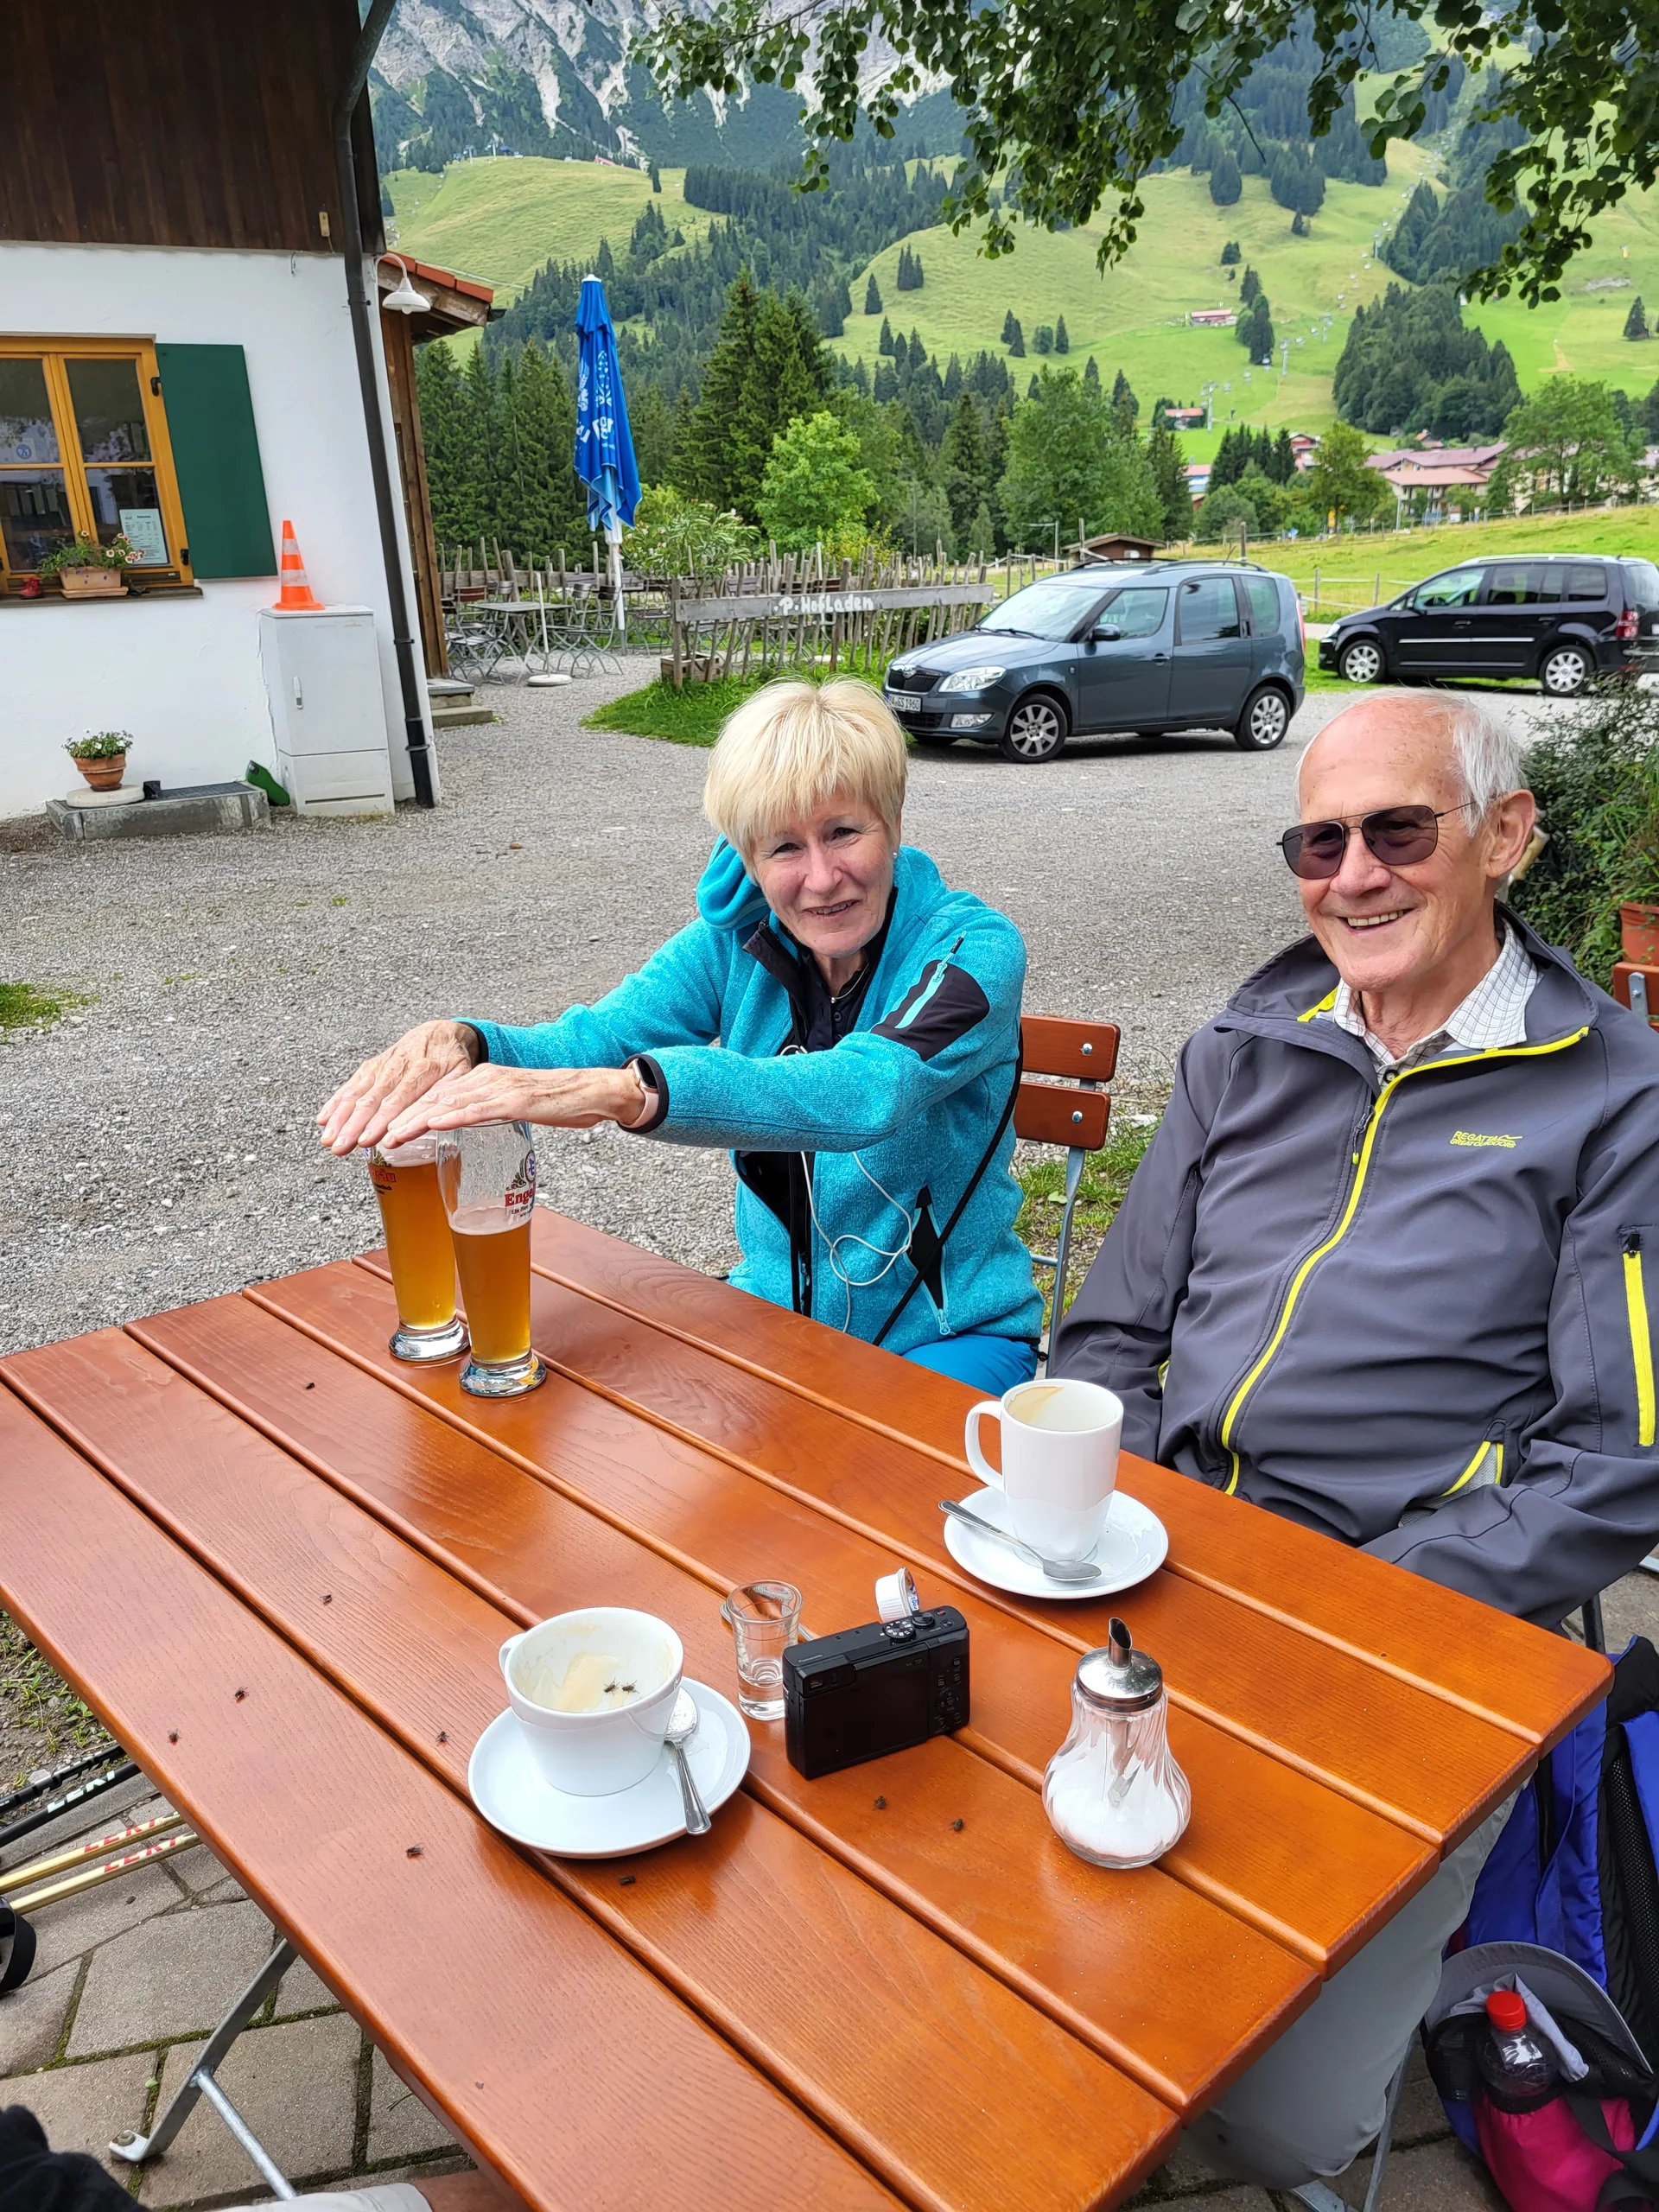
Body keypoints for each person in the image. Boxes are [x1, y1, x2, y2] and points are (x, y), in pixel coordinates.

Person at [1052, 689, 1659, 2187]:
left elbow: (1613, 1472)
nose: (1354, 875)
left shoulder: (1617, 1097)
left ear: (1505, 836)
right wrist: (1116, 1510)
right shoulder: (1243, 1049)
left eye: (1398, 830)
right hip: (1164, 1559)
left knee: (1277, 2118)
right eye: (1318, 844)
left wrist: (1343, 1602)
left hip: (1407, 1616)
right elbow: (1110, 1334)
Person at [320, 678, 1041, 1392]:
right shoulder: (738, 942)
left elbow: (868, 1089)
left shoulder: (974, 950)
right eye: (783, 847)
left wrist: (632, 1094)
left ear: (893, 820)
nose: (822, 878)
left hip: (949, 1336)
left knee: (861, 1469)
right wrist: (464, 1042)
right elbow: (596, 1037)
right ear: (746, 858)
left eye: (844, 832)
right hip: (776, 1319)